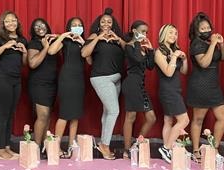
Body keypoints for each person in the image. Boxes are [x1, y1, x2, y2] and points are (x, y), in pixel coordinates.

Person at [81, 8, 126, 160]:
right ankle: (104, 145)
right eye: (103, 22)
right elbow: (84, 53)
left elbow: (129, 51)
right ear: (98, 24)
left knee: (108, 112)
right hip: (101, 78)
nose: (106, 23)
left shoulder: (117, 38)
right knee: (114, 111)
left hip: (117, 78)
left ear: (113, 25)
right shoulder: (95, 36)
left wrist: (117, 39)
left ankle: (103, 142)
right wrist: (98, 38)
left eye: (109, 22)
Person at [0, 11, 27, 160]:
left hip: (16, 80)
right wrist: (4, 47)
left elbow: (24, 63)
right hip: (1, 79)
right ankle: (0, 150)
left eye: (13, 20)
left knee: (10, 115)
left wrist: (25, 52)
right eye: (7, 21)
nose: (11, 23)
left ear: (17, 22)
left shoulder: (22, 39)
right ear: (3, 24)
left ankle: (7, 147)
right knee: (2, 115)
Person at [186, 12, 224, 163]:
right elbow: (204, 63)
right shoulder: (196, 44)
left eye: (208, 27)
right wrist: (212, 45)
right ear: (196, 31)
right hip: (200, 85)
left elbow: (223, 57)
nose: (206, 30)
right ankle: (196, 150)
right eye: (202, 28)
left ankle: (213, 148)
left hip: (213, 85)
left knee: (223, 116)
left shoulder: (211, 42)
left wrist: (221, 44)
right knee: (198, 119)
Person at [48, 17, 89, 158]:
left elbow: (90, 61)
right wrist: (63, 36)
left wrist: (83, 42)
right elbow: (51, 51)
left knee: (75, 114)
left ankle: (72, 146)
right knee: (64, 113)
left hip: (79, 80)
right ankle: (55, 146)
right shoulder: (65, 41)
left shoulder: (85, 42)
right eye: (74, 25)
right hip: (66, 78)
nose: (77, 27)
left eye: (79, 25)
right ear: (69, 27)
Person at [121, 20, 157, 159]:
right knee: (131, 116)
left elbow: (151, 66)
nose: (145, 34)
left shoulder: (142, 47)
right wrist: (137, 42)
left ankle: (136, 144)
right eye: (142, 31)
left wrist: (150, 49)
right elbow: (136, 59)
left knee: (151, 117)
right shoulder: (130, 46)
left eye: (146, 32)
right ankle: (126, 149)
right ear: (134, 31)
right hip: (131, 84)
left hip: (140, 86)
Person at [154, 24, 189, 163]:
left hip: (176, 89)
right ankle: (167, 148)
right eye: (170, 33)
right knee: (184, 120)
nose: (173, 36)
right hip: (168, 90)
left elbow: (184, 72)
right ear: (163, 35)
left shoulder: (175, 50)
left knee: (168, 120)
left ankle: (166, 152)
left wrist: (184, 60)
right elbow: (168, 73)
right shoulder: (159, 52)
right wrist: (174, 57)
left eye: (175, 33)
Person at [27, 18, 58, 148]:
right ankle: (36, 147)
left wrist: (57, 37)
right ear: (33, 30)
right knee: (43, 115)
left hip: (52, 83)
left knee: (48, 116)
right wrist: (45, 48)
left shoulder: (52, 41)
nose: (40, 28)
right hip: (39, 84)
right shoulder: (34, 43)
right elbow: (32, 63)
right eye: (36, 26)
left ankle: (45, 146)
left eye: (43, 25)